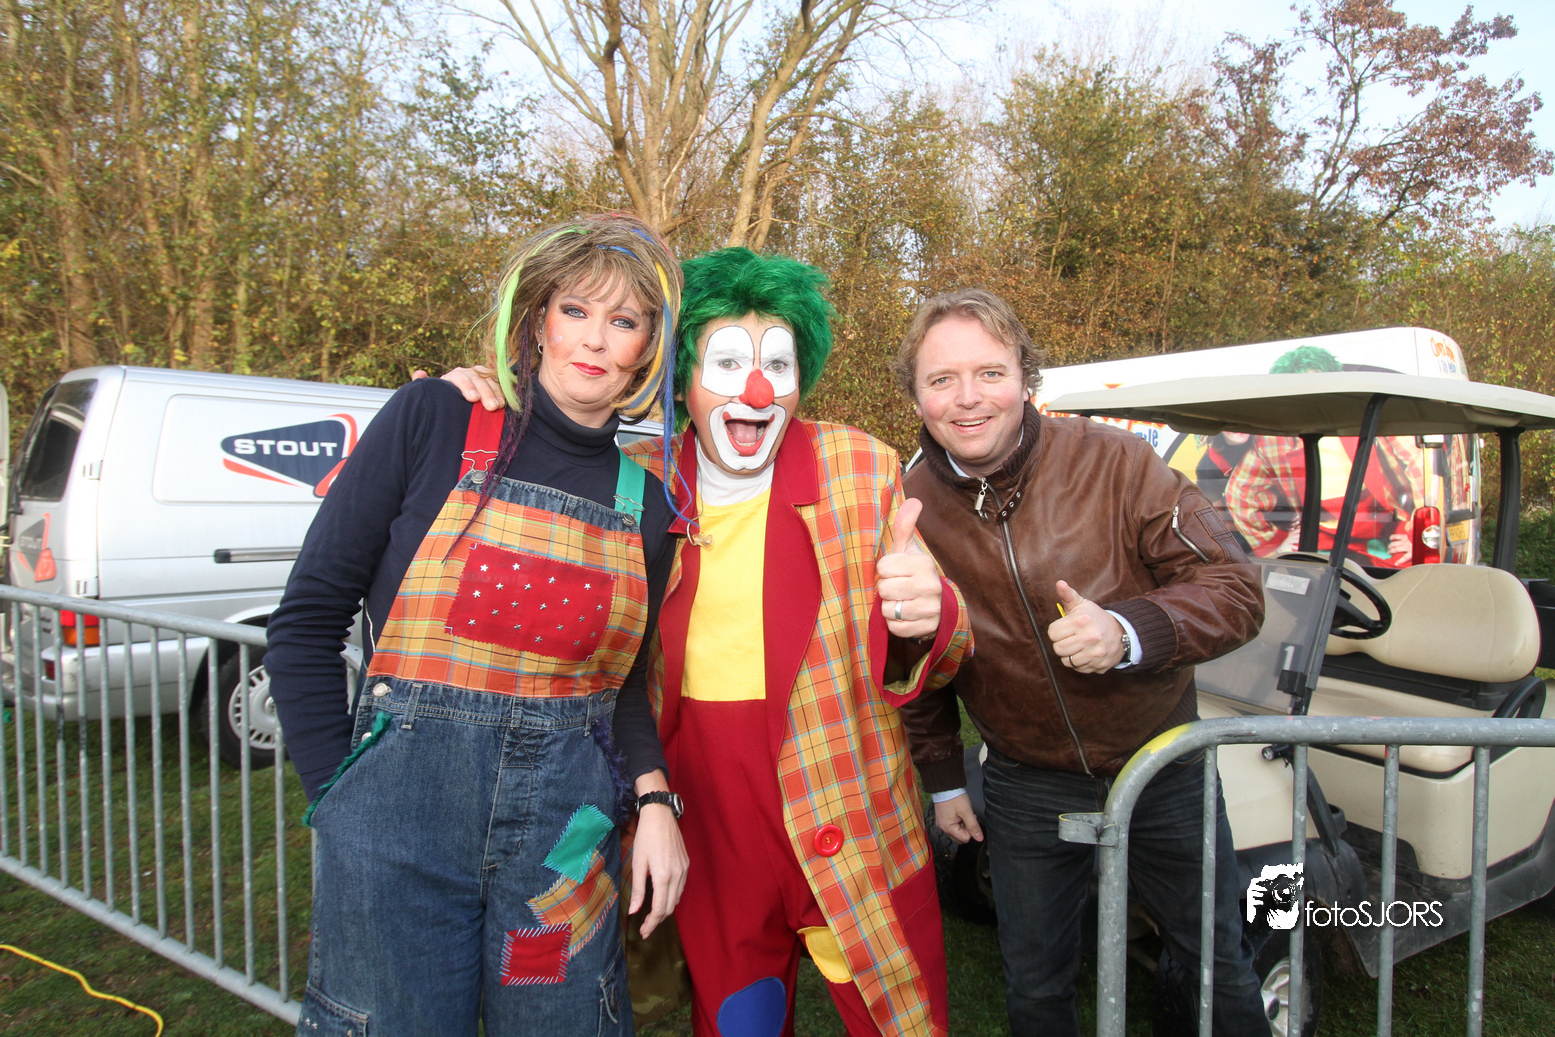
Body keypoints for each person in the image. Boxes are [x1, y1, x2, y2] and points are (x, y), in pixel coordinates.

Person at [445, 247, 973, 1037]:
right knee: (739, 1016)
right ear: (683, 377)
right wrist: (476, 398)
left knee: (898, 1016)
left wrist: (932, 612)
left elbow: (946, 642)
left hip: (850, 800)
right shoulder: (637, 476)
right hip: (706, 812)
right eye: (727, 363)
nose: (755, 389)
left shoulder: (859, 466)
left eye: (776, 366)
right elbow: (527, 466)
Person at [265, 213, 689, 1037]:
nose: (593, 339)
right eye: (575, 310)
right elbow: (307, 621)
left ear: (646, 349)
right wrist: (338, 801)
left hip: (561, 858)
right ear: (536, 319)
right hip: (396, 843)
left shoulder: (646, 505)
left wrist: (657, 803)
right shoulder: (437, 418)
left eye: (623, 320)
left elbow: (624, 693)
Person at [892, 288, 1269, 1037]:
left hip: (1162, 765)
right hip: (1024, 783)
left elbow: (1235, 586)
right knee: (1036, 987)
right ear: (916, 395)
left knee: (1213, 965)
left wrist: (1128, 630)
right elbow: (913, 654)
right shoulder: (908, 505)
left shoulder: (1117, 461)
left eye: (989, 373)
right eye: (941, 379)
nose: (968, 398)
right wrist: (943, 779)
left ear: (1024, 377)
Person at [1223, 345, 1424, 567]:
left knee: (1402, 573)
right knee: (1305, 576)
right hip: (1320, 534)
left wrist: (1417, 533)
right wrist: (1274, 544)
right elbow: (1240, 494)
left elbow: (1421, 466)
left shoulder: (1371, 421)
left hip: (1385, 526)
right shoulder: (1273, 441)